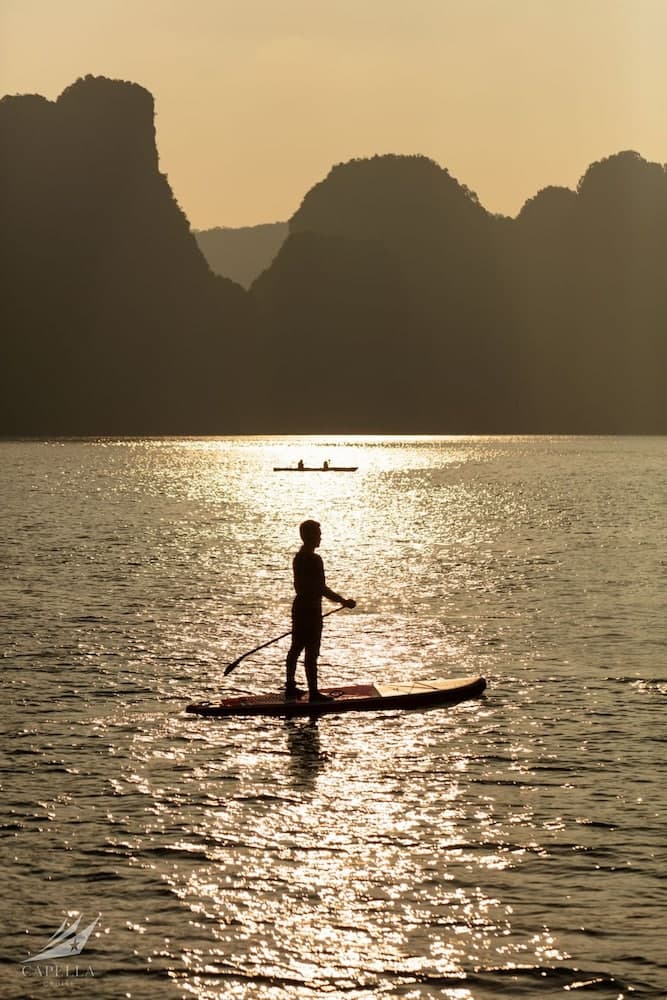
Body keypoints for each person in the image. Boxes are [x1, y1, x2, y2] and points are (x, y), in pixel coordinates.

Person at [285, 520, 355, 702]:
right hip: (311, 610)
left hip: (299, 607)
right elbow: (321, 588)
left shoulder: (298, 557)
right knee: (311, 652)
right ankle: (314, 693)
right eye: (318, 534)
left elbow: (304, 587)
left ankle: (290, 687)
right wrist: (343, 601)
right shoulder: (315, 559)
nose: (320, 538)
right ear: (311, 537)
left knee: (295, 648)